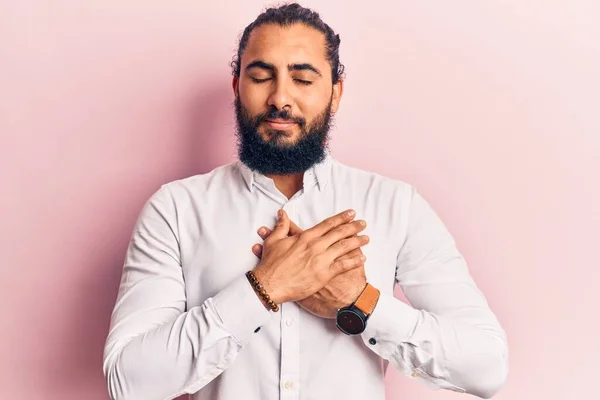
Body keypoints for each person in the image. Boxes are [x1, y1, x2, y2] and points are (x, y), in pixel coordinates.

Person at [102, 3, 508, 400]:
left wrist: (359, 302)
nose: (280, 98)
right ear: (236, 87)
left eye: (303, 79)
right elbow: (129, 384)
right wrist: (264, 288)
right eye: (261, 76)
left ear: (335, 93)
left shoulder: (396, 206)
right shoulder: (175, 210)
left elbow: (486, 366)